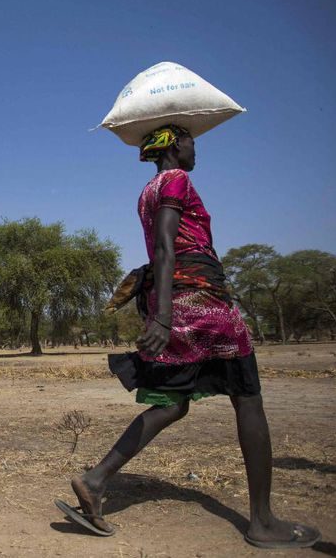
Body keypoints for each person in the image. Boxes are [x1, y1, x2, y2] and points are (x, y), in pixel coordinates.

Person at [56, 125, 320, 549]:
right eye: (192, 141)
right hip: (200, 301)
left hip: (177, 298)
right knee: (248, 397)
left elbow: (162, 247)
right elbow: (164, 246)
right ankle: (263, 521)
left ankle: (95, 479)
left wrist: (163, 310)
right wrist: (161, 318)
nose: (197, 148)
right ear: (176, 144)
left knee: (173, 403)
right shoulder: (177, 179)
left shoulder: (147, 190)